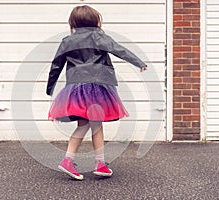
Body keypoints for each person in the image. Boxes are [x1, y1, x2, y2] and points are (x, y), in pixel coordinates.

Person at [46, 5, 147, 180]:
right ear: (95, 21)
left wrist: (50, 87)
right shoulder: (99, 37)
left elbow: (56, 65)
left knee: (84, 125)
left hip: (76, 87)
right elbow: (119, 49)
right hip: (98, 86)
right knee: (95, 124)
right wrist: (139, 62)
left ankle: (74, 161)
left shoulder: (67, 41)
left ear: (74, 22)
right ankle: (96, 163)